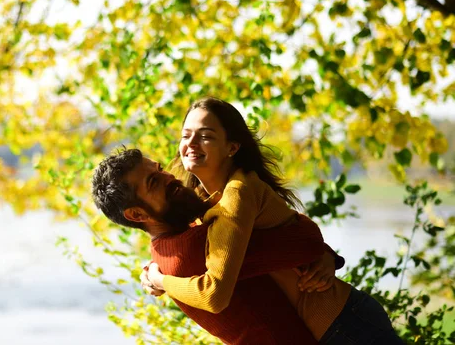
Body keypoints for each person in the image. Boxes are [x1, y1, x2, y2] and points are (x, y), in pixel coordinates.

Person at [142, 97, 403, 345]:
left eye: (206, 136)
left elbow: (215, 289)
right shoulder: (203, 199)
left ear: (232, 147)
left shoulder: (237, 193)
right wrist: (152, 269)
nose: (192, 143)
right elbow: (198, 249)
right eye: (186, 135)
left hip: (343, 323)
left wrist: (161, 280)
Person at [92, 148, 335, 344]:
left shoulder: (163, 252)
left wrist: (152, 276)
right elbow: (306, 242)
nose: (171, 177)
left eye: (161, 169)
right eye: (154, 181)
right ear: (135, 214)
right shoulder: (197, 246)